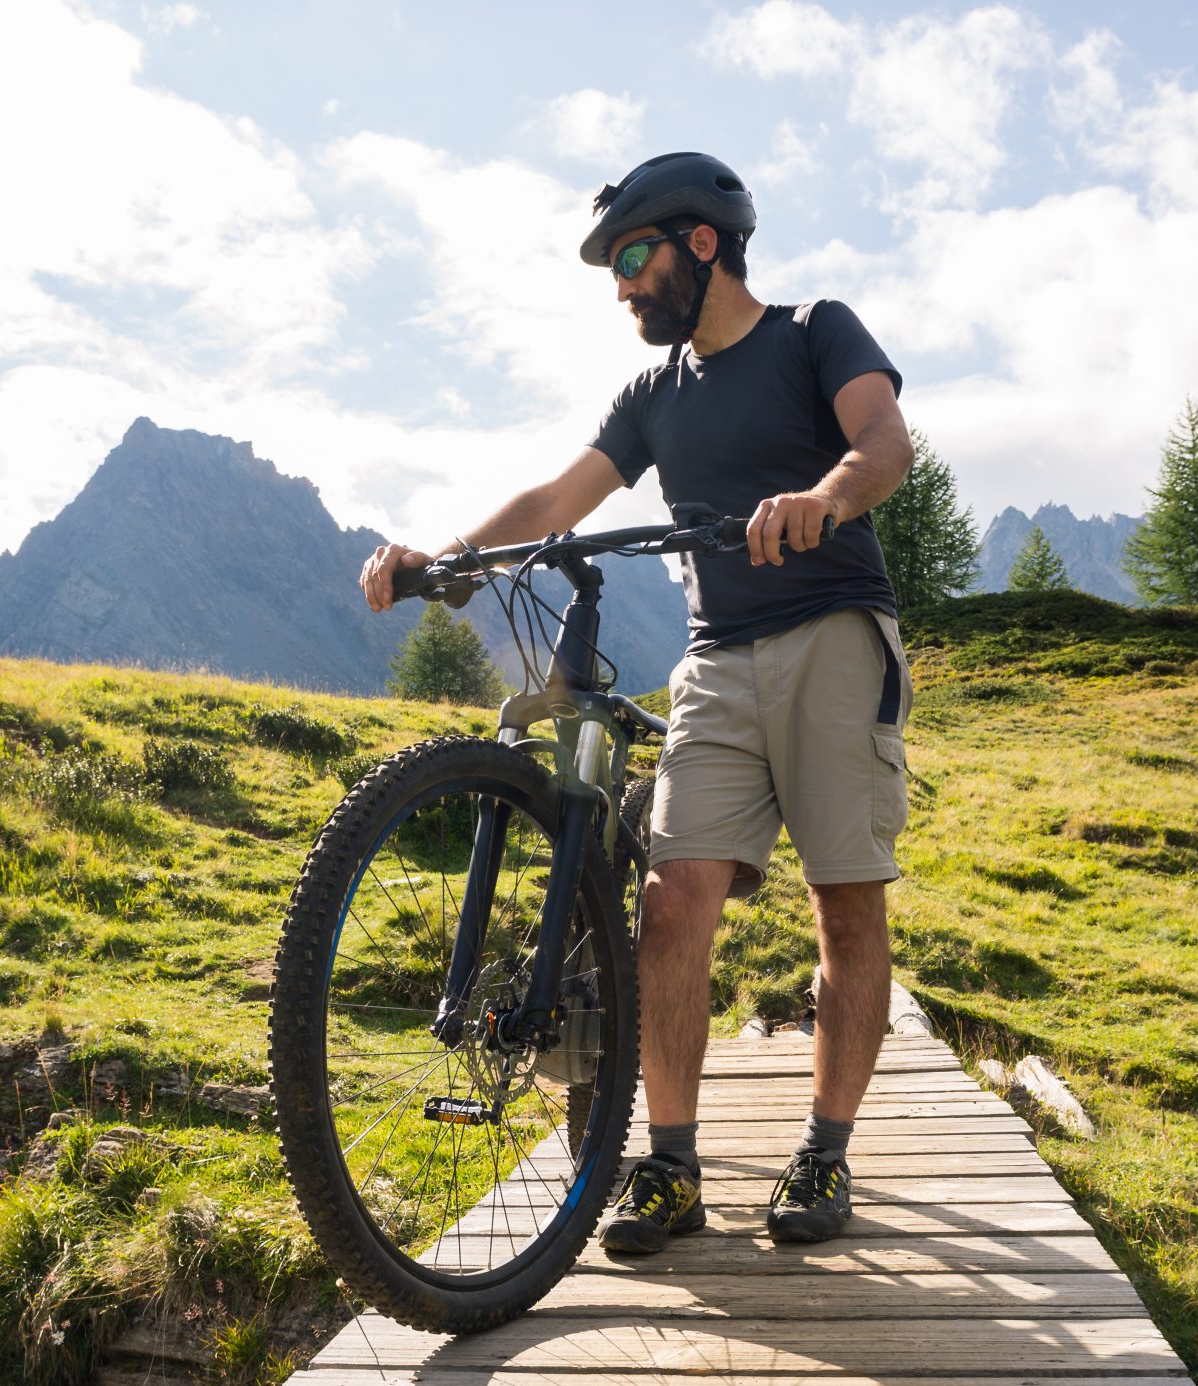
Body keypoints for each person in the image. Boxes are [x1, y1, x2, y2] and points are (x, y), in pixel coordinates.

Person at [357, 151, 915, 1253]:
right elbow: (558, 497)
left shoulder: (813, 330)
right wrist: (450, 556)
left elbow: (883, 442)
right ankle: (668, 1165)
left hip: (832, 634)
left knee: (845, 905)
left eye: (631, 257)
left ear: (701, 243)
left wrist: (822, 497)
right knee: (670, 903)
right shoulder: (653, 398)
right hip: (716, 659)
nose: (620, 286)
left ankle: (825, 1148)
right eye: (613, 267)